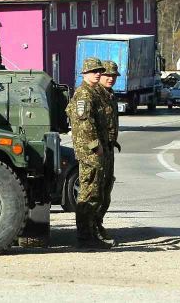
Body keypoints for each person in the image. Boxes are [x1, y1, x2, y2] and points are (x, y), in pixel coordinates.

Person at [65, 57, 112, 249]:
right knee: (88, 193)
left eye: (99, 71)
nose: (98, 74)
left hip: (96, 150)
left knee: (97, 191)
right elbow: (84, 123)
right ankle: (85, 238)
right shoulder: (84, 94)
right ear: (84, 73)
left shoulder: (94, 92)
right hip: (89, 151)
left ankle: (92, 233)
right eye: (94, 71)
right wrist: (95, 145)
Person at [96, 60, 122, 245]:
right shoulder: (94, 96)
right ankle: (91, 231)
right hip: (97, 150)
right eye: (107, 75)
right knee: (94, 192)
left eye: (113, 76)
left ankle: (98, 225)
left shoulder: (110, 96)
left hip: (108, 148)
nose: (110, 79)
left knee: (106, 190)